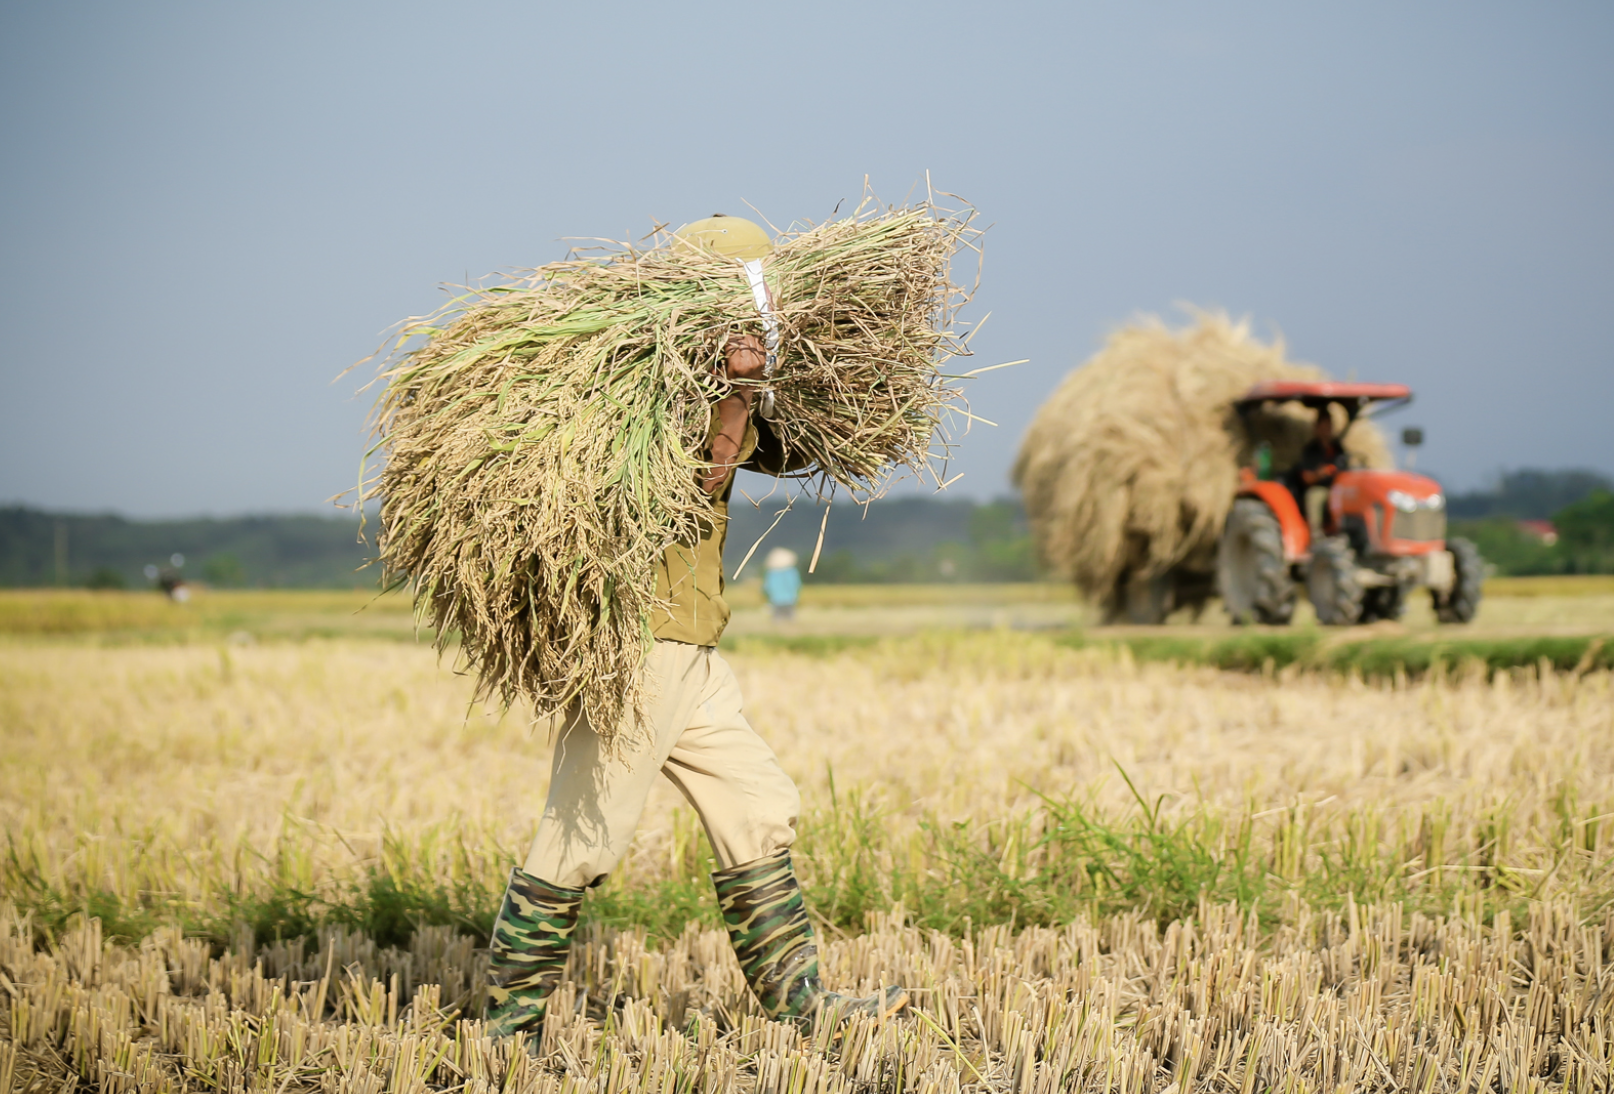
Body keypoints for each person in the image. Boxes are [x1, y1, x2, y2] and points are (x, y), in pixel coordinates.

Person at [484, 215, 908, 1040]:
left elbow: (778, 453)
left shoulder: (717, 377)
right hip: (637, 646)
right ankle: (509, 1026)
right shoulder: (652, 384)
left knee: (758, 806)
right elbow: (690, 483)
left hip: (692, 644)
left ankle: (802, 1003)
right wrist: (736, 387)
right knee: (583, 838)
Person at [1291, 405, 1351, 535]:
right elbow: (1306, 478)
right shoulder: (1310, 451)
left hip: (1340, 489)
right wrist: (1319, 474)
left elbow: (1346, 469)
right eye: (1323, 425)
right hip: (1320, 488)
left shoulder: (1339, 449)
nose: (1326, 429)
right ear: (1316, 428)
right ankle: (1316, 536)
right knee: (1314, 497)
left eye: (1328, 425)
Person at [762, 547, 802, 621]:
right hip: (790, 599)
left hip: (776, 600)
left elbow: (766, 587)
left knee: (777, 619)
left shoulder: (771, 573)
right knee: (790, 619)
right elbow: (797, 585)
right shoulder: (792, 572)